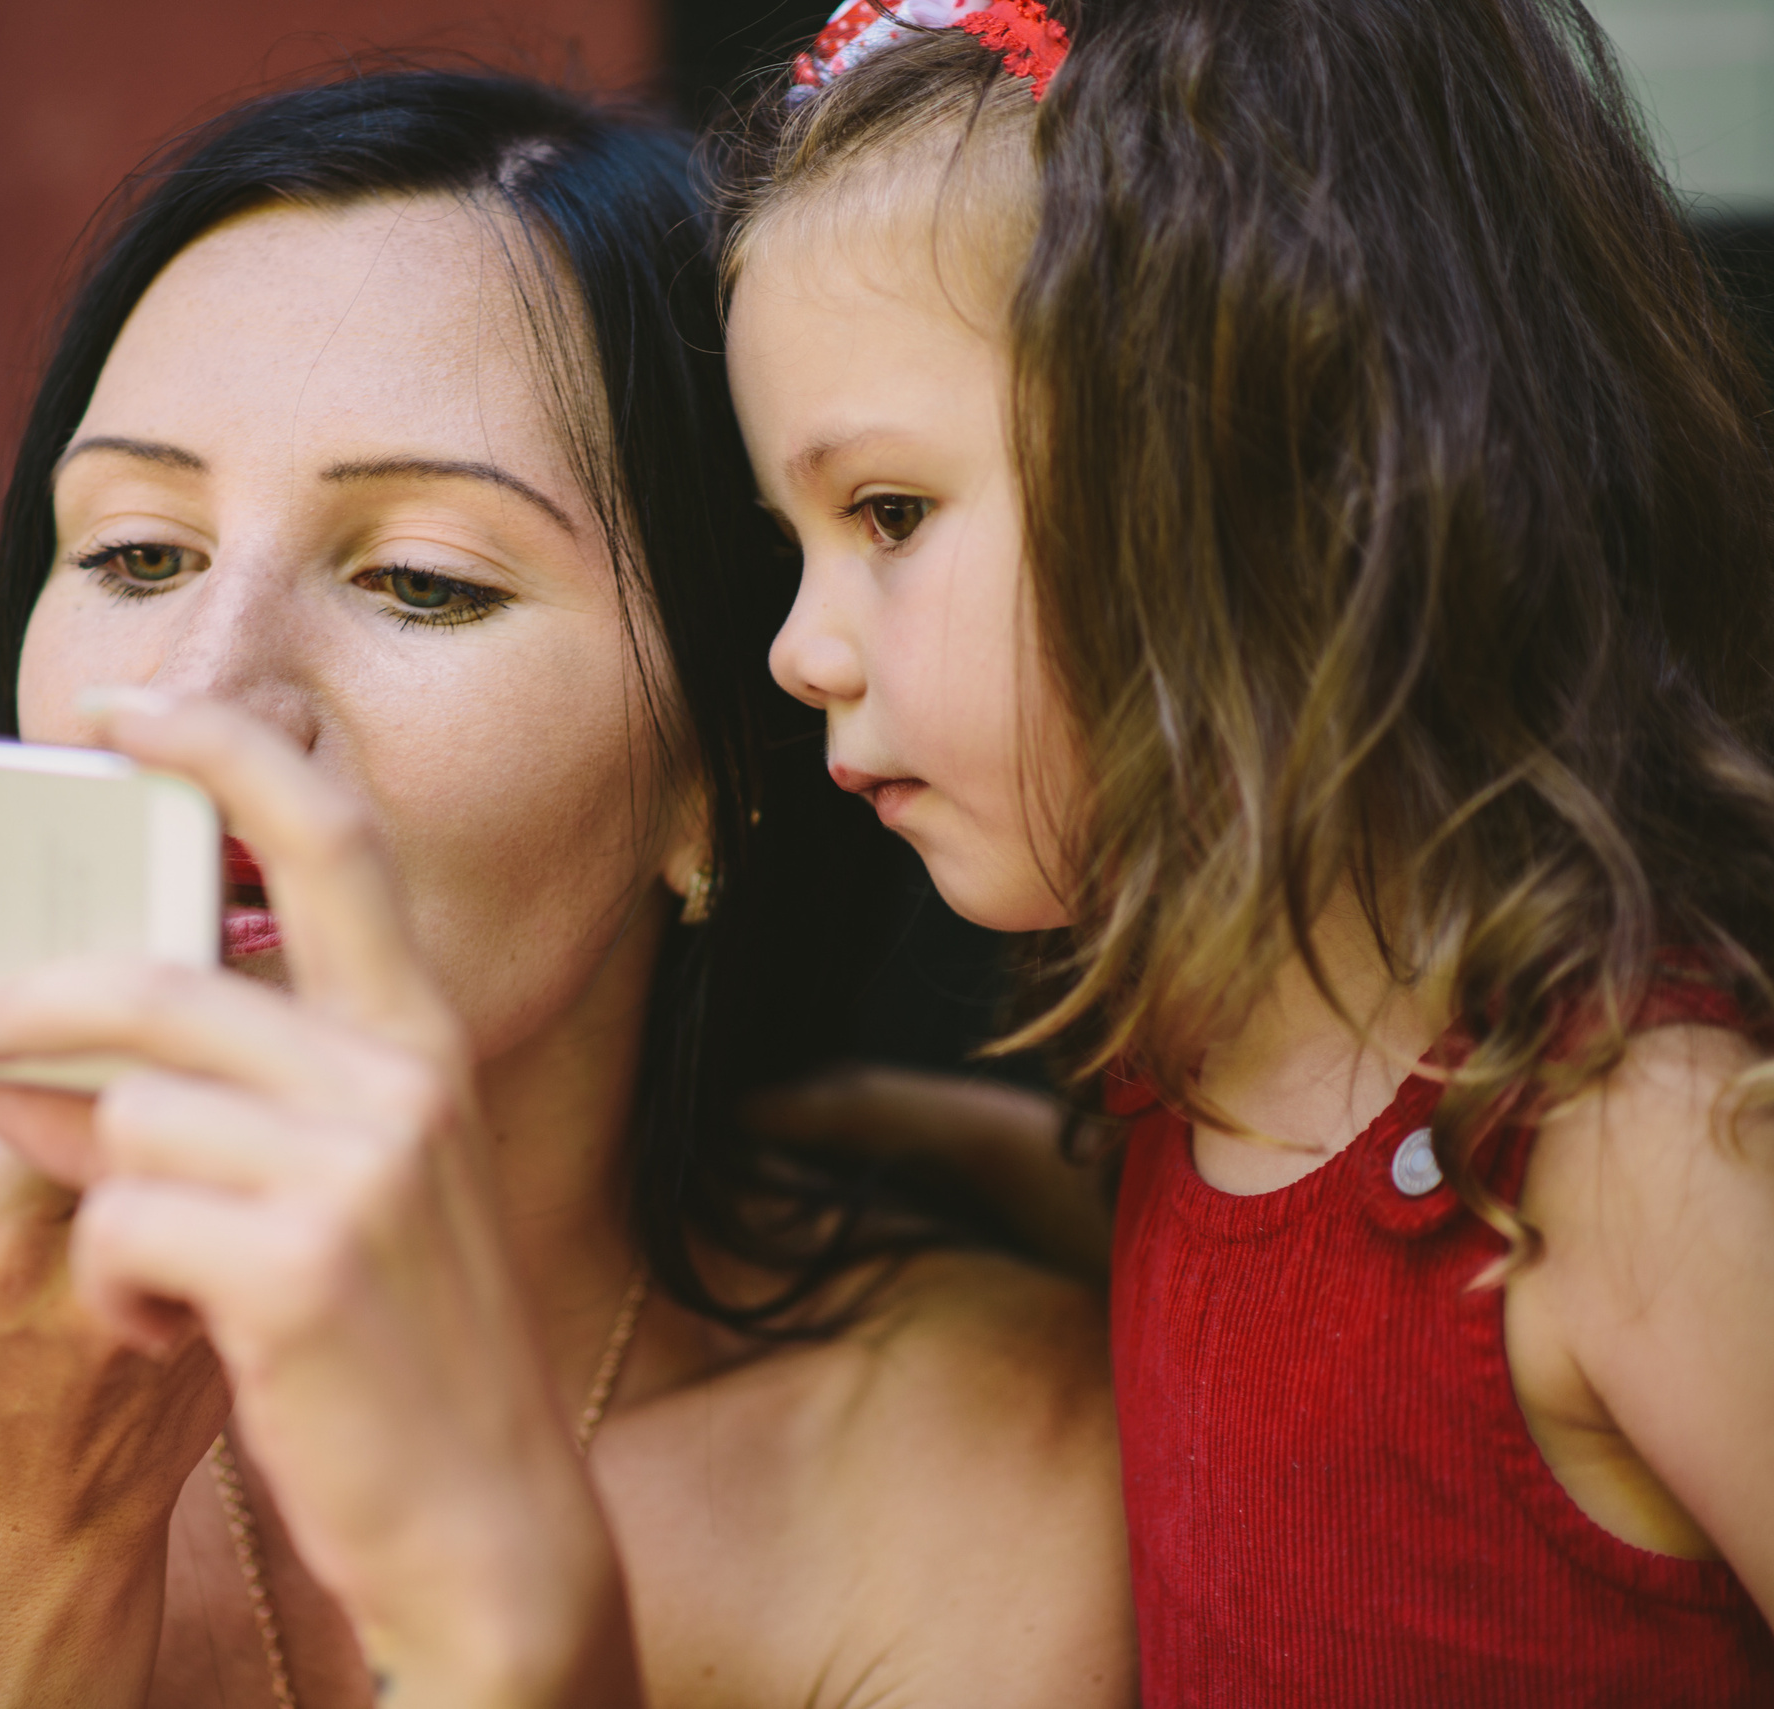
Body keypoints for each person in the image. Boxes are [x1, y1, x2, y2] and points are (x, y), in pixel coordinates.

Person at [0, 69, 1133, 1706]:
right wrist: (3, 1524)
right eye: (136, 555)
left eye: (423, 581)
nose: (201, 696)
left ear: (720, 776)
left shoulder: (968, 1470)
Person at [722, 0, 1774, 1701]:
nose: (798, 648)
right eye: (797, 542)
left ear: (1252, 472)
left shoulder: (1622, 1143)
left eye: (889, 517)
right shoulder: (1200, 1053)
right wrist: (842, 1136)